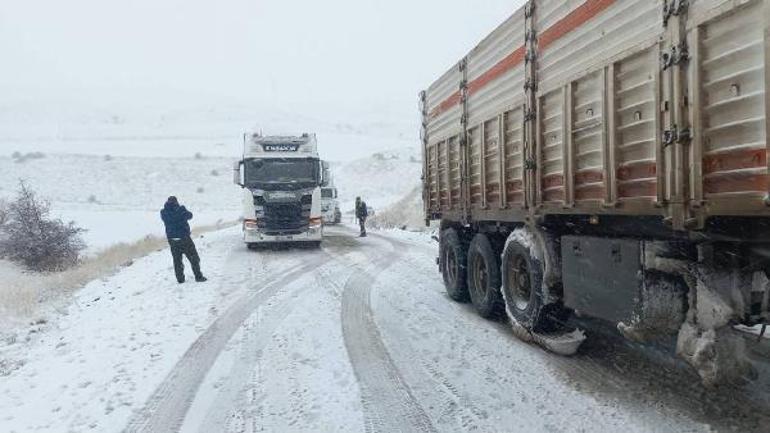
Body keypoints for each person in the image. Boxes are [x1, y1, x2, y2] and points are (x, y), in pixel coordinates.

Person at [160, 196, 207, 283]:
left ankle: (180, 279)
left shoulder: (163, 212)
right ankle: (198, 276)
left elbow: (170, 218)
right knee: (194, 258)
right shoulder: (181, 210)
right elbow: (190, 216)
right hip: (184, 238)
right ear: (176, 202)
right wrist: (181, 210)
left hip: (172, 240)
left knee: (177, 260)